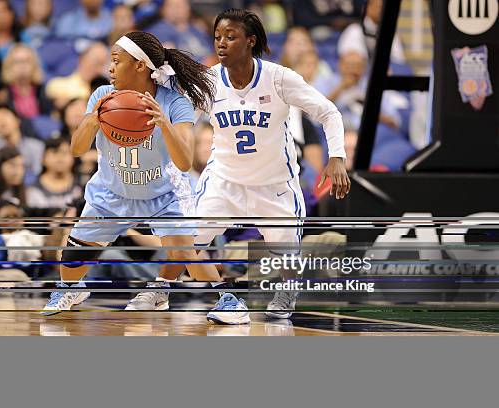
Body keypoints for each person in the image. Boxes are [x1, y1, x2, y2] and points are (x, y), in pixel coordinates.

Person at [138, 9, 351, 324]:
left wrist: (337, 157)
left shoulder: (279, 78)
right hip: (224, 181)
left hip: (274, 184)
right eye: (217, 37)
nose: (221, 43)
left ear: (250, 41)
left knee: (286, 256)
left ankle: (286, 293)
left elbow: (329, 112)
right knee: (187, 240)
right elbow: (182, 121)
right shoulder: (209, 81)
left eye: (231, 36)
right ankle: (160, 290)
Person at [41, 30, 222, 315]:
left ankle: (228, 301)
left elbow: (185, 162)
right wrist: (92, 120)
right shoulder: (103, 95)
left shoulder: (175, 103)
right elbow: (76, 149)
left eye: (116, 61)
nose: (109, 68)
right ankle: (70, 291)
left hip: (162, 193)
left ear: (140, 65)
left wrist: (164, 124)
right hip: (112, 191)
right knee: (73, 257)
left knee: (186, 254)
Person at [45, 42, 110, 110]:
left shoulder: (105, 90)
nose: (99, 70)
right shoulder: (59, 84)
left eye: (103, 65)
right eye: (96, 63)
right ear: (82, 59)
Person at [0, 104, 44, 177]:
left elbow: (39, 172)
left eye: (4, 116)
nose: (1, 122)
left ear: (17, 120)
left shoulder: (36, 146)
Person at [26, 137, 83, 208]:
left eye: (65, 153)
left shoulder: (83, 187)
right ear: (43, 158)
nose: (60, 157)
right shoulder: (32, 190)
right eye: (54, 152)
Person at [1, 43, 52, 119]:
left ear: (34, 65)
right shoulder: (3, 92)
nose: (22, 66)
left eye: (27, 61)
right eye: (17, 61)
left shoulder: (43, 90)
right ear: (9, 65)